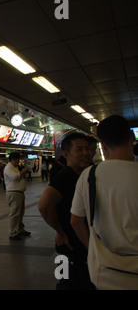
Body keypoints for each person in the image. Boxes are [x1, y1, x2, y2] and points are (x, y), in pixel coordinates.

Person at [70, 115, 138, 289]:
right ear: (132, 136)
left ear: (102, 144)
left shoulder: (89, 175)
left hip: (106, 271)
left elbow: (76, 220)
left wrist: (91, 248)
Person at [38, 133, 93, 289]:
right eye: (80, 149)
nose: (86, 153)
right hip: (69, 244)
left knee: (74, 279)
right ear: (66, 154)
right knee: (67, 281)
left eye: (87, 149)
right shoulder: (65, 176)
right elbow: (44, 205)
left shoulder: (82, 175)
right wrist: (60, 232)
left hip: (76, 242)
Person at [4, 153, 30, 240]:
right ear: (12, 160)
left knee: (20, 213)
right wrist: (24, 171)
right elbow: (15, 177)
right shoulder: (8, 168)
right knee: (15, 213)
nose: (18, 161)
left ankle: (20, 229)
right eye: (17, 160)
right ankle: (13, 233)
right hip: (13, 193)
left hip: (19, 192)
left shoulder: (14, 167)